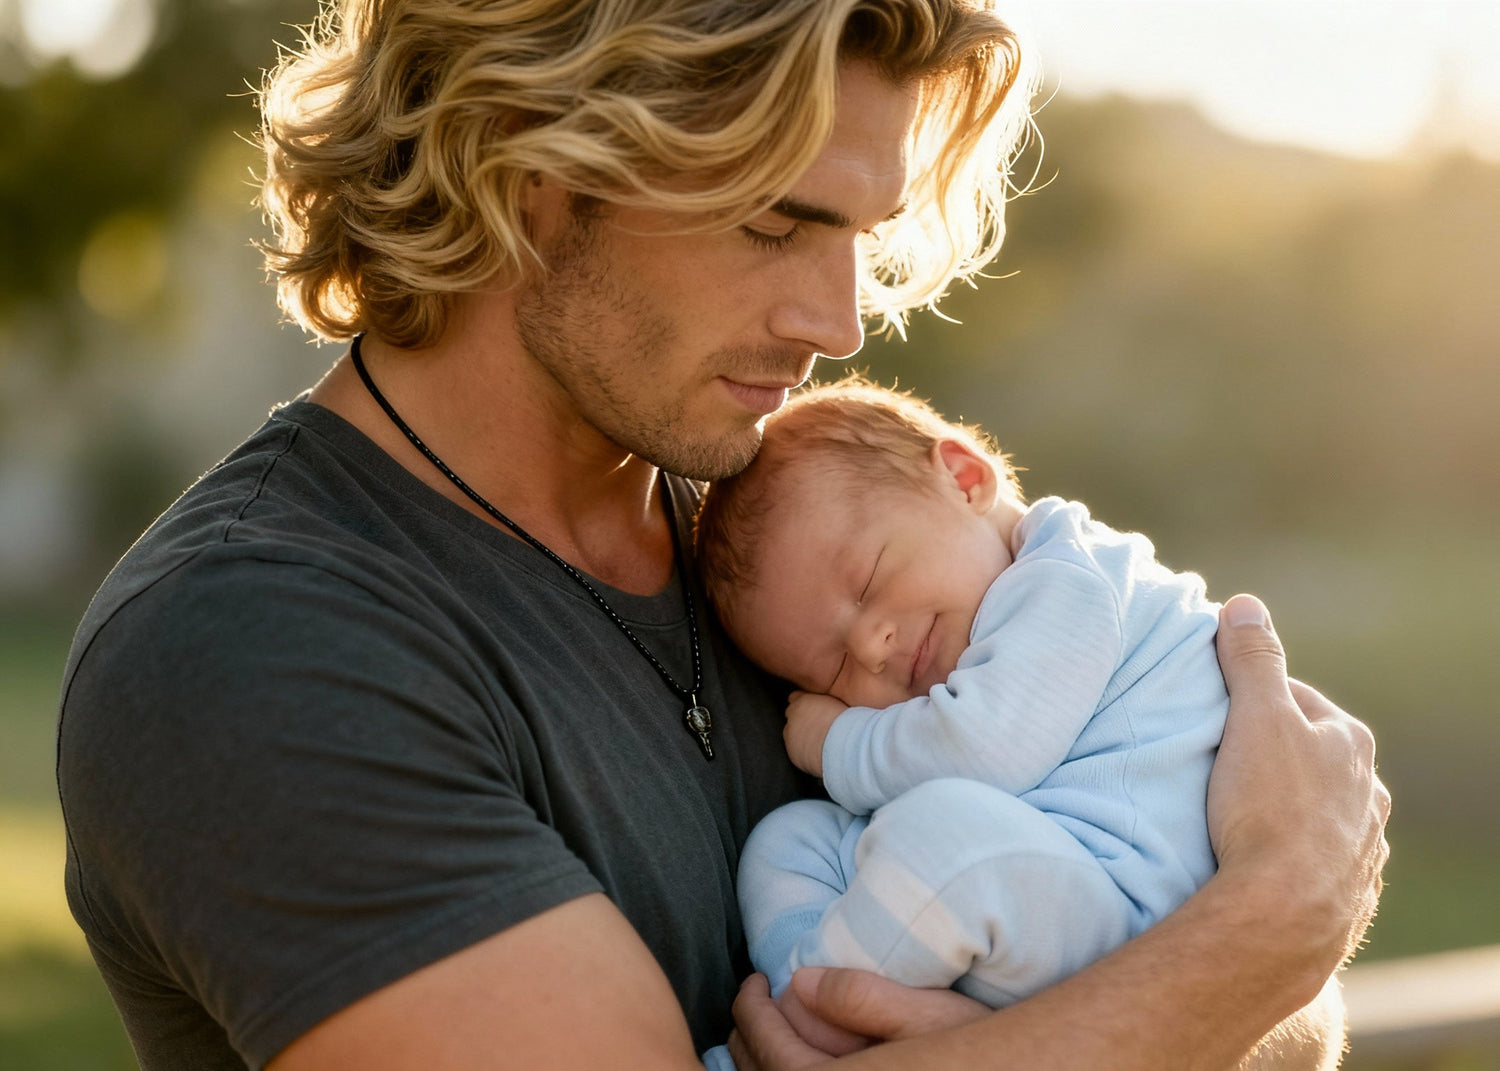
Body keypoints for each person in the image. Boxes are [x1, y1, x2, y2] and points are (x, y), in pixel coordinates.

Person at [55, 2, 1388, 1070]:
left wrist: (1227, 979)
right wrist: (1270, 923)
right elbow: (1234, 972)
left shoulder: (797, 545)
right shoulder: (254, 647)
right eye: (776, 221)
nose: (842, 319)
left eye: (861, 234)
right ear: (528, 167)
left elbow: (1263, 1011)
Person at [693, 379, 1234, 1066]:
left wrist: (837, 739)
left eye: (867, 582)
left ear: (964, 477)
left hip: (1128, 909)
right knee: (793, 838)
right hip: (1013, 892)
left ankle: (807, 1032)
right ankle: (807, 984)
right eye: (828, 669)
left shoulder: (1070, 579)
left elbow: (984, 749)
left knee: (940, 833)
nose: (870, 646)